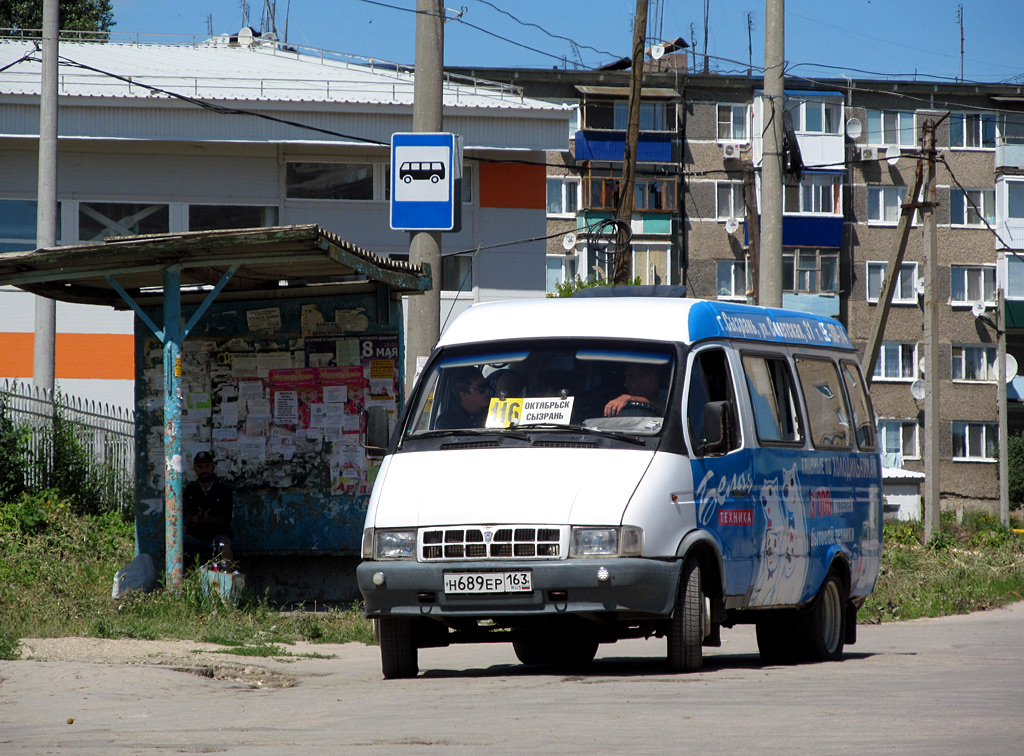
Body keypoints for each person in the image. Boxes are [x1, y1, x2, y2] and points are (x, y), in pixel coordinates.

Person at [183, 451, 234, 566]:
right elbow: (183, 515)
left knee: (225, 546)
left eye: (207, 466)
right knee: (177, 545)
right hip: (195, 535)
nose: (204, 470)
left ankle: (227, 577)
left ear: (213, 467)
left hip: (217, 535)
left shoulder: (223, 490)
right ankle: (180, 580)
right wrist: (193, 519)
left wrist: (213, 520)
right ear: (195, 469)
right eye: (200, 467)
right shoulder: (190, 490)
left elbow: (227, 517)